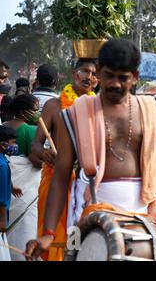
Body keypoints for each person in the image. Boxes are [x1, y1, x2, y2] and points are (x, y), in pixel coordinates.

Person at [25, 39, 156, 261]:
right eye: (108, 75)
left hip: (146, 218)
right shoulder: (76, 114)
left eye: (122, 78)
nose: (115, 84)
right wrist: (48, 233)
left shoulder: (154, 114)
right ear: (99, 74)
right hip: (93, 218)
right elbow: (61, 177)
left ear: (134, 76)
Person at [31, 58, 97, 261]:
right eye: (85, 71)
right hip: (55, 178)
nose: (90, 77)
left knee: (81, 236)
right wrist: (44, 153)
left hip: (87, 183)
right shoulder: (53, 106)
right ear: (73, 73)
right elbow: (35, 144)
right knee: (53, 237)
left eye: (94, 73)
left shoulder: (100, 108)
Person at [2, 94, 42, 168]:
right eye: (35, 110)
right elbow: (35, 161)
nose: (38, 113)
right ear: (22, 112)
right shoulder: (29, 130)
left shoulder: (3, 125)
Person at [0, 126, 23, 239]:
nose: (15, 146)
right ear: (3, 145)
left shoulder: (2, 160)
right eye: (13, 143)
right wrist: (3, 221)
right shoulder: (3, 166)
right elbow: (2, 199)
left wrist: (11, 186)